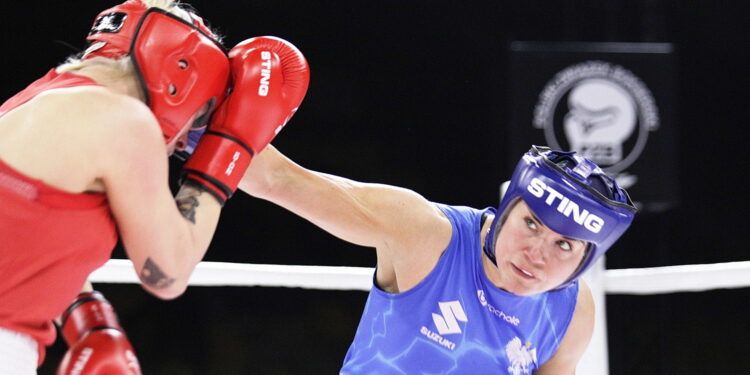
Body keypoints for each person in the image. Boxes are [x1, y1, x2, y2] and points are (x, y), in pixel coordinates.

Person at [0, 0, 310, 373]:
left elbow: (25, 240)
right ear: (181, 74)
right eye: (198, 118)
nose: (182, 144)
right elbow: (169, 271)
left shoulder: (29, 101)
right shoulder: (123, 119)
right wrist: (230, 144)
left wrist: (92, 320)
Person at [239, 144, 636, 374]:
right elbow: (278, 180)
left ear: (584, 262)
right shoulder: (426, 234)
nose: (537, 253)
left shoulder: (571, 312)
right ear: (506, 208)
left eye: (564, 245)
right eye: (531, 223)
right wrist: (198, 106)